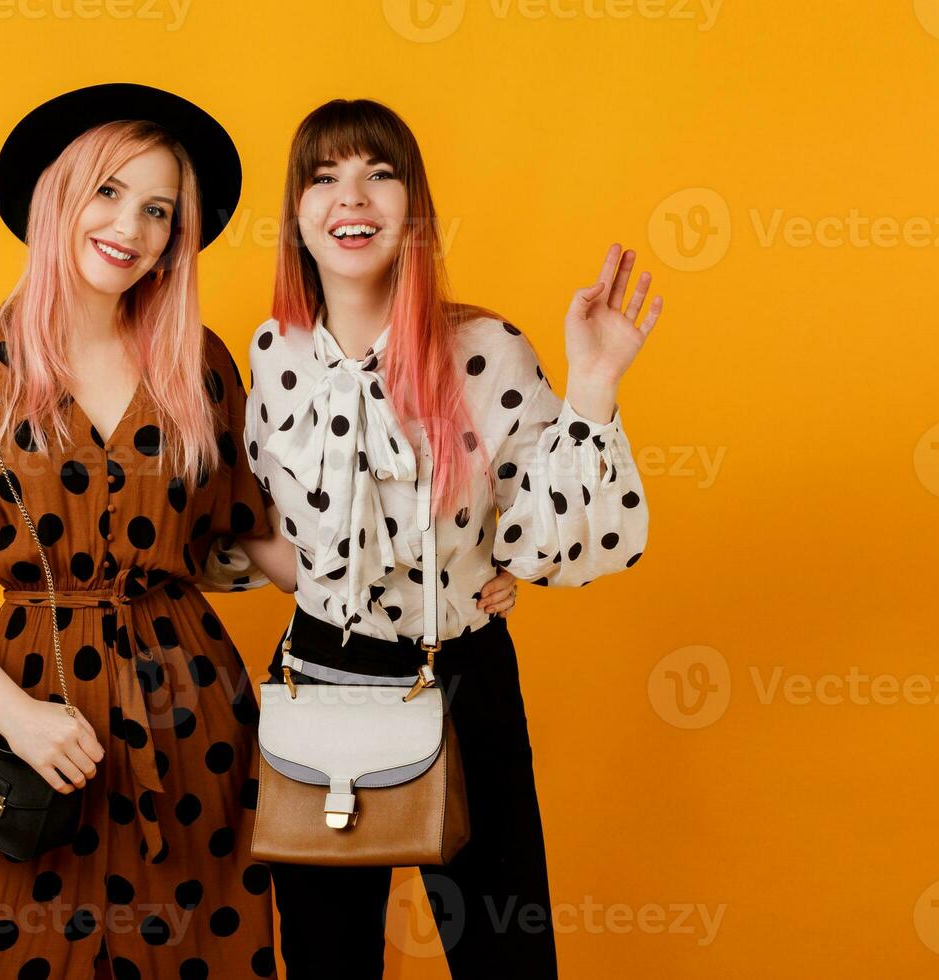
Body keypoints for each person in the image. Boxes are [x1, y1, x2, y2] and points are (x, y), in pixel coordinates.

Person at [238, 98, 662, 979]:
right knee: (325, 959)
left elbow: (553, 537)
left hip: (463, 672)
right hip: (321, 669)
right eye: (324, 178)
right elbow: (280, 531)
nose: (351, 198)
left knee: (504, 951)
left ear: (413, 207)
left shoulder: (487, 350)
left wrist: (591, 383)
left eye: (378, 174)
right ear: (298, 215)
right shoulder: (275, 352)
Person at [0, 83, 277, 980]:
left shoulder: (199, 362)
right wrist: (14, 717)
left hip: (193, 728)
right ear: (57, 193)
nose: (129, 226)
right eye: (107, 191)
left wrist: (444, 570)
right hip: (27, 719)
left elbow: (254, 543)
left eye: (158, 209)